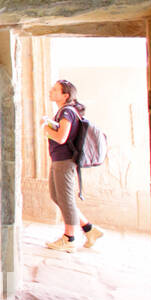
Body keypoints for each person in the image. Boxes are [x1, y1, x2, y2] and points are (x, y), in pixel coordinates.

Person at [40, 79, 103, 251]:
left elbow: (61, 137)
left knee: (65, 199)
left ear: (65, 95)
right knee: (57, 196)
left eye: (55, 90)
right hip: (59, 159)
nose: (50, 91)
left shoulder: (67, 111)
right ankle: (89, 229)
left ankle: (69, 238)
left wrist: (45, 128)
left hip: (64, 160)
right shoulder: (65, 111)